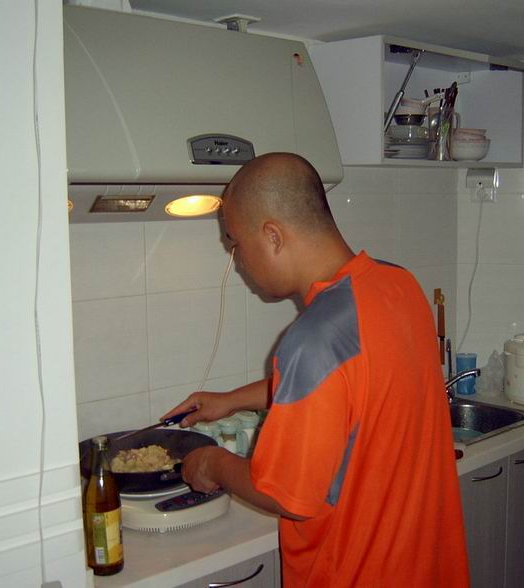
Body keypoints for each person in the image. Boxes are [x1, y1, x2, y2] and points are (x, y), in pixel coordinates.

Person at [163, 152, 469, 587]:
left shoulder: (314, 339)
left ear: (272, 236)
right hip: (428, 567)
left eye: (236, 244)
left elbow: (286, 496)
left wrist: (213, 463)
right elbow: (351, 388)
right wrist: (231, 401)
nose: (239, 260)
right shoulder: (399, 285)